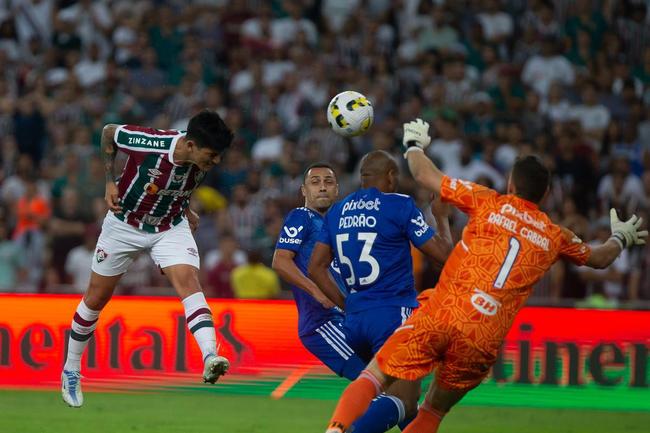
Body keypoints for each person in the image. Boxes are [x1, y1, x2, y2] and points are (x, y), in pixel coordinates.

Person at [323, 119, 647, 433]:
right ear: (545, 195)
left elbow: (423, 173)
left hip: (443, 313)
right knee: (432, 412)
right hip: (482, 339)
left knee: (374, 376)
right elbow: (600, 258)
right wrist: (620, 237)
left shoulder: (487, 201)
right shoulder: (554, 235)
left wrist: (413, 144)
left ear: (510, 185)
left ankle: (336, 430)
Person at [61, 110, 234, 408]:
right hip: (124, 223)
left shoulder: (199, 159)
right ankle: (71, 369)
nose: (215, 161)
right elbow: (108, 132)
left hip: (169, 226)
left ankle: (210, 355)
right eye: (211, 154)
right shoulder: (149, 142)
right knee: (96, 298)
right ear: (190, 145)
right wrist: (109, 181)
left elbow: (179, 182)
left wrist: (185, 206)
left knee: (190, 283)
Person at [309, 150, 453, 431]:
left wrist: (346, 304)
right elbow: (443, 256)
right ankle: (341, 429)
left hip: (355, 322)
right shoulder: (399, 205)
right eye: (396, 175)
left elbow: (316, 267)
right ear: (389, 176)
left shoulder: (338, 210)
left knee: (402, 402)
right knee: (405, 402)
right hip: (392, 315)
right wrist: (442, 218)